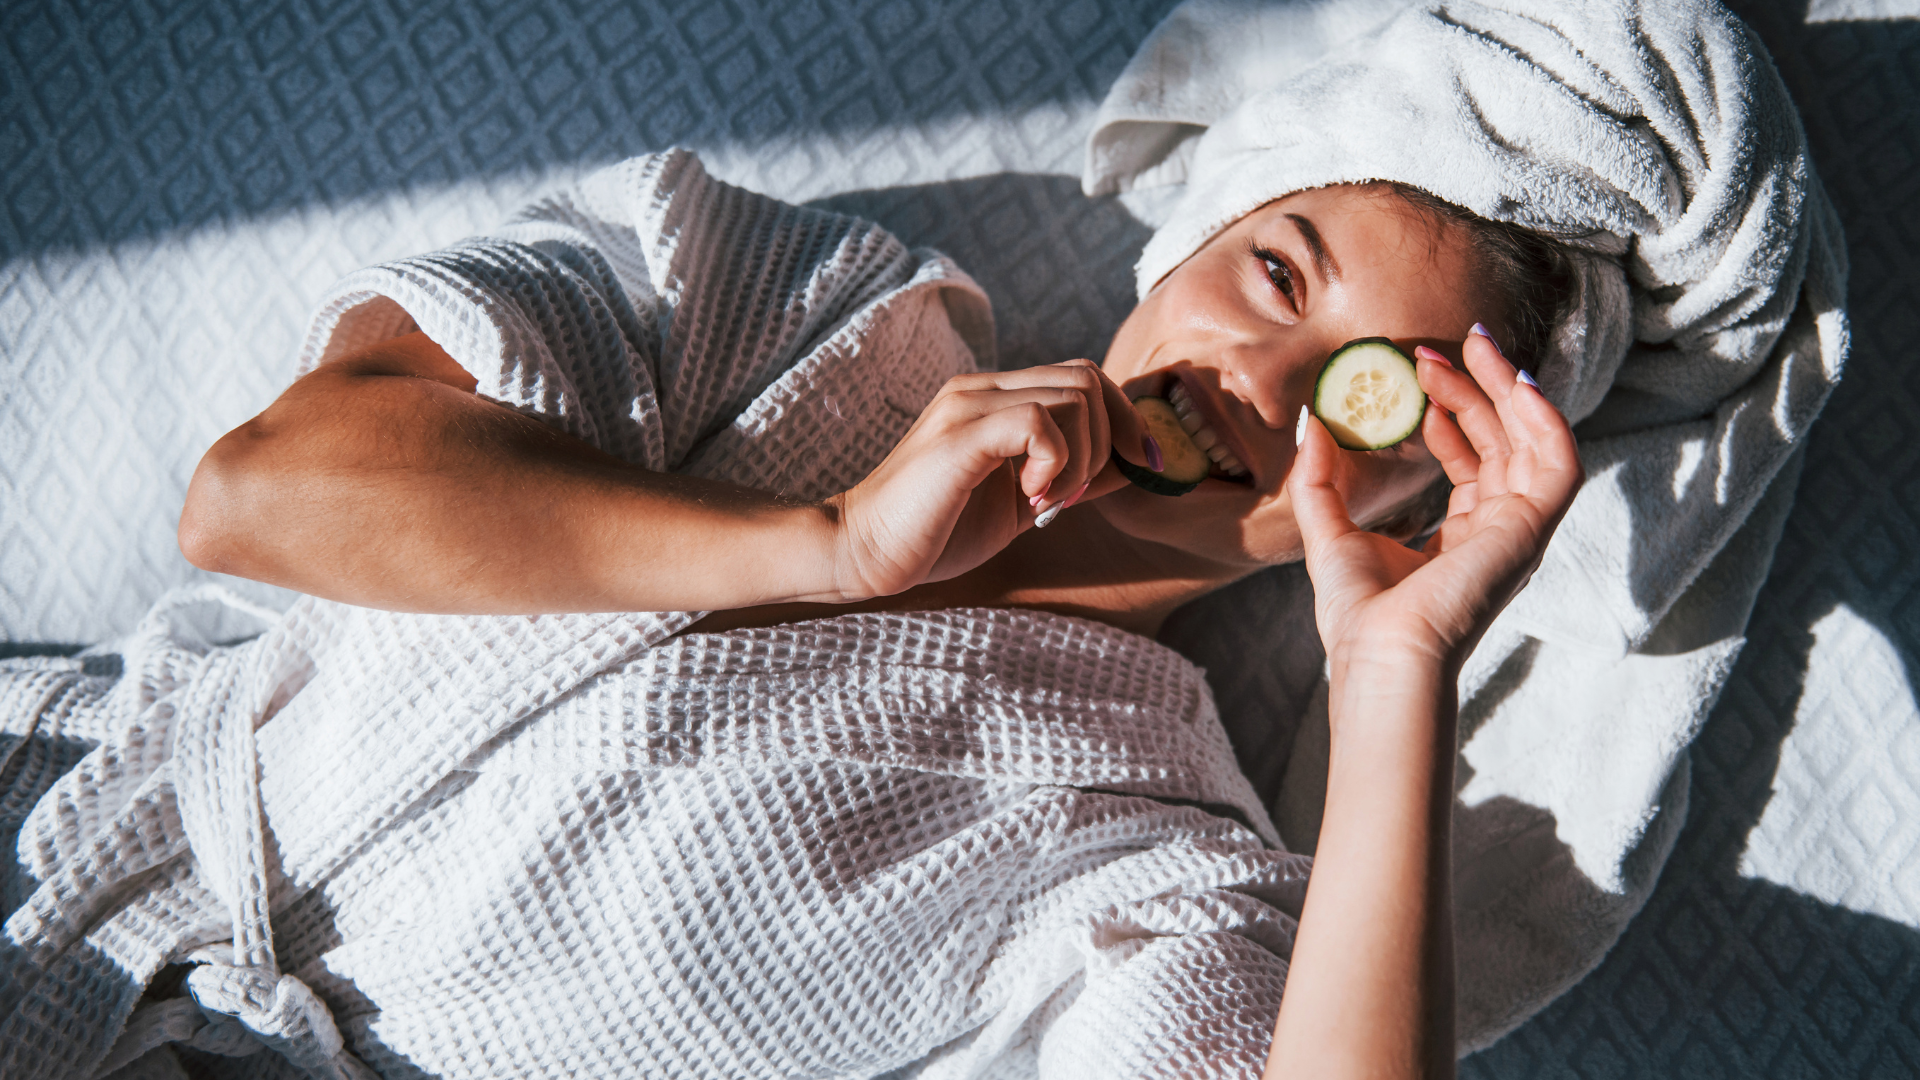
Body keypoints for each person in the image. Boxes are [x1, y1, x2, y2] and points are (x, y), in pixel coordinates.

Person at [169, 162, 1580, 1079]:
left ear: (1402, 513)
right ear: (1193, 238)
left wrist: (1397, 668)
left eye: (1359, 399)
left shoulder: (1153, 864)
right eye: (1275, 276)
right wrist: (826, 544)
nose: (1262, 388)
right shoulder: (784, 307)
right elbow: (258, 493)